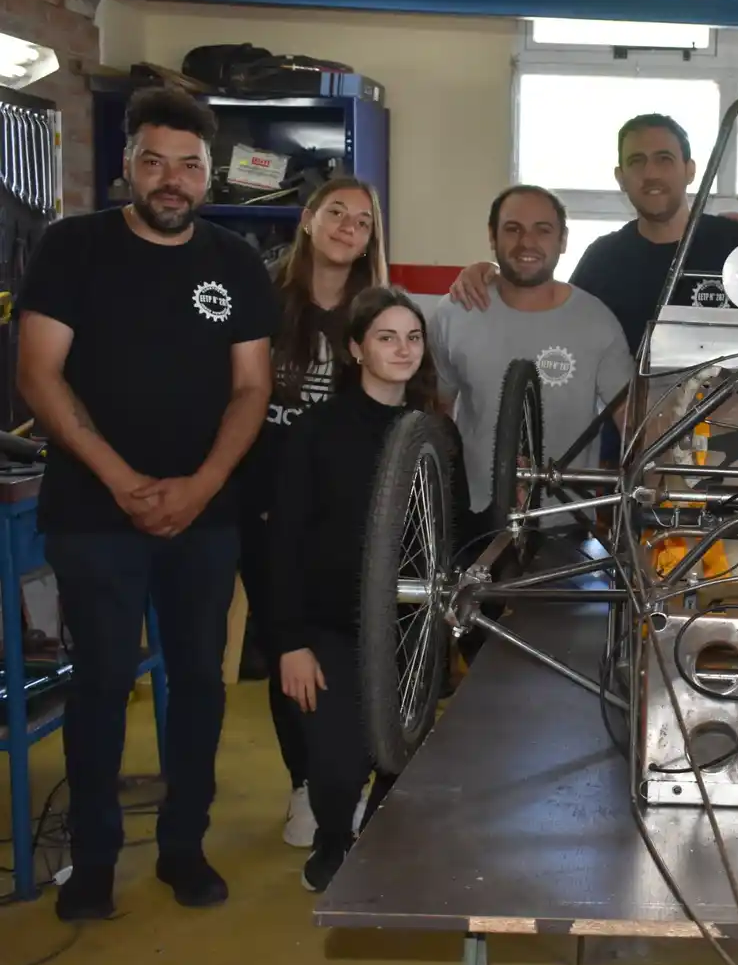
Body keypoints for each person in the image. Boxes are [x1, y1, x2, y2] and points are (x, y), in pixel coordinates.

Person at [17, 87, 277, 920]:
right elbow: (37, 373)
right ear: (127, 162)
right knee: (98, 683)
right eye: (155, 161)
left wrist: (198, 487)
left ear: (210, 174)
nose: (172, 180)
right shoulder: (72, 248)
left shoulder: (236, 261)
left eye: (190, 165)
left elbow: (251, 388)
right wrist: (121, 480)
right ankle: (91, 861)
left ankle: (181, 846)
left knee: (199, 680)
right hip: (94, 516)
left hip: (206, 516)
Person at [269, 286, 445, 892]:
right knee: (340, 762)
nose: (402, 349)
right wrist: (289, 642)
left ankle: (376, 832)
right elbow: (284, 540)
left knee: (404, 748)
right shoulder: (318, 430)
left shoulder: (432, 433)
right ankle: (332, 836)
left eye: (413, 338)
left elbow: (457, 536)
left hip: (407, 627)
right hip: (331, 625)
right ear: (356, 348)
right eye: (386, 337)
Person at [237, 176, 389, 850]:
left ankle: (347, 775)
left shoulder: (377, 310)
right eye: (336, 212)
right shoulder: (261, 298)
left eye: (362, 219)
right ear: (307, 219)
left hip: (346, 516)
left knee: (349, 643)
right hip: (265, 507)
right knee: (285, 643)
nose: (348, 226)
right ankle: (304, 779)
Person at [446, 114, 738, 352]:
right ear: (620, 177)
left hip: (735, 433)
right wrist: (489, 276)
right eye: (637, 161)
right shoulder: (603, 259)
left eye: (664, 159)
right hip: (627, 436)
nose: (650, 174)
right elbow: (549, 316)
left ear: (690, 170)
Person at [428, 184, 633, 543]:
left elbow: (633, 422)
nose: (527, 242)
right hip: (470, 522)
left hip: (565, 527)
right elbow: (433, 411)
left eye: (543, 229)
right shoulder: (456, 312)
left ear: (563, 240)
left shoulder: (596, 321)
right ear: (492, 237)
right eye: (512, 229)